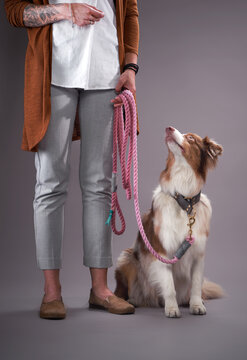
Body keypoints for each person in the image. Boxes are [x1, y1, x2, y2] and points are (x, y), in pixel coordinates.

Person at [4, 0, 140, 319]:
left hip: (107, 74)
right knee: (50, 182)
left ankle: (100, 290)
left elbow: (130, 12)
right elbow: (14, 12)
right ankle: (51, 292)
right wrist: (67, 11)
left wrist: (131, 67)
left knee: (99, 185)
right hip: (53, 73)